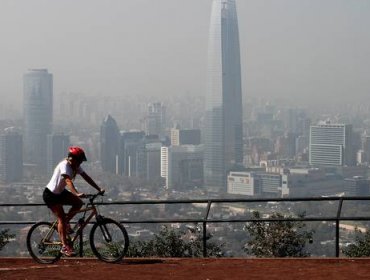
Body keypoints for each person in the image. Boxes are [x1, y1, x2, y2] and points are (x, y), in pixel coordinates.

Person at [43, 146, 105, 257]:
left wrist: (98, 188)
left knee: (79, 203)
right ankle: (64, 246)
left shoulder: (76, 166)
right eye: (80, 160)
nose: (81, 163)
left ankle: (64, 224)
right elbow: (67, 180)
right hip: (50, 195)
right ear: (72, 159)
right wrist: (76, 193)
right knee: (61, 217)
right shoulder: (65, 166)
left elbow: (86, 177)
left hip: (60, 193)